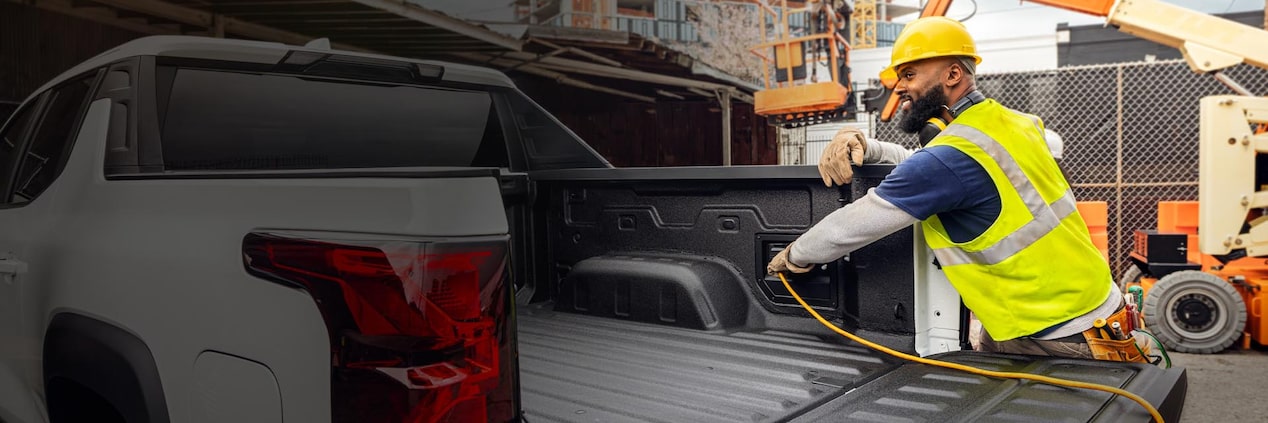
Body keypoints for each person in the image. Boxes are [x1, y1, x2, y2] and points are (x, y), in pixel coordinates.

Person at [767, 16, 1122, 360]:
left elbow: (850, 226)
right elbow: (935, 166)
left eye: (909, 74)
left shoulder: (950, 159)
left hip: (1058, 334)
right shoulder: (1017, 124)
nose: (899, 86)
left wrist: (794, 255)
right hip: (1083, 308)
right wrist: (868, 146)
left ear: (953, 74)